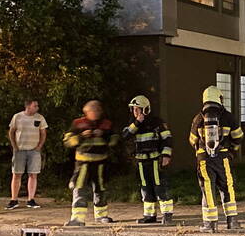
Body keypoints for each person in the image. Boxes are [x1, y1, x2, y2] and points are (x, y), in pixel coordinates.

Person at [189, 85, 244, 233]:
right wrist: (232, 151)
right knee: (227, 187)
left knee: (208, 187)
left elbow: (192, 139)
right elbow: (238, 136)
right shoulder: (228, 116)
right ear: (219, 98)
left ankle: (210, 224)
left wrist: (200, 151)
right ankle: (232, 222)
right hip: (223, 157)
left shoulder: (198, 118)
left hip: (204, 159)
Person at [62, 100, 118, 226]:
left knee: (100, 189)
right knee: (79, 188)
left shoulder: (106, 124)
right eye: (94, 110)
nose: (97, 112)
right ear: (87, 112)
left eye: (98, 109)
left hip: (101, 163)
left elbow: (115, 140)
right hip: (83, 164)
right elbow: (68, 141)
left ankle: (101, 216)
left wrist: (104, 136)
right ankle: (77, 219)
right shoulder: (78, 123)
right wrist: (81, 136)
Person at [120, 95, 174, 225]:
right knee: (145, 188)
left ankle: (167, 215)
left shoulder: (156, 122)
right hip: (141, 162)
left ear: (145, 109)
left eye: (137, 109)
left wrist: (166, 155)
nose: (135, 112)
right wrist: (137, 122)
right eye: (133, 110)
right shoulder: (134, 124)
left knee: (159, 186)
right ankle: (149, 215)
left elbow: (167, 138)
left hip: (155, 160)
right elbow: (125, 135)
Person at [6, 98, 48, 209]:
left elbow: (43, 133)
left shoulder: (40, 117)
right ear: (28, 106)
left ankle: (31, 199)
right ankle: (14, 200)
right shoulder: (17, 117)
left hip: (34, 150)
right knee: (16, 174)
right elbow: (11, 131)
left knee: (33, 174)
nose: (37, 108)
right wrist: (14, 146)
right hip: (20, 149)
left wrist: (39, 146)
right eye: (35, 106)